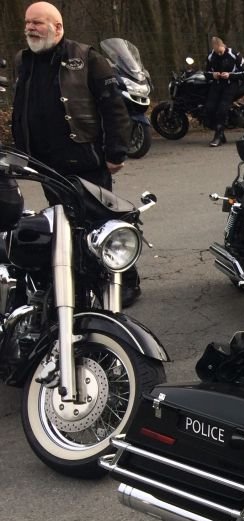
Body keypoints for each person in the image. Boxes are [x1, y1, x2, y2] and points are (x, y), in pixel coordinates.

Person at [12, 2, 140, 304]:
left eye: (37, 23)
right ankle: (77, 279)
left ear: (57, 27)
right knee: (61, 223)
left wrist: (116, 152)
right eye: (28, 22)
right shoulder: (23, 60)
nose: (30, 28)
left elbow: (114, 107)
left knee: (102, 223)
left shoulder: (86, 58)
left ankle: (126, 280)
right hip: (45, 164)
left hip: (85, 159)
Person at [205, 36, 244, 147]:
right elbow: (206, 73)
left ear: (223, 46)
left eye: (220, 52)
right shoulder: (211, 56)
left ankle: (218, 136)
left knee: (222, 109)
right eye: (217, 52)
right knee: (209, 108)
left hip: (231, 84)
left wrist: (230, 75)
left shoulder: (234, 54)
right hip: (217, 84)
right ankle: (219, 131)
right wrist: (213, 75)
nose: (219, 54)